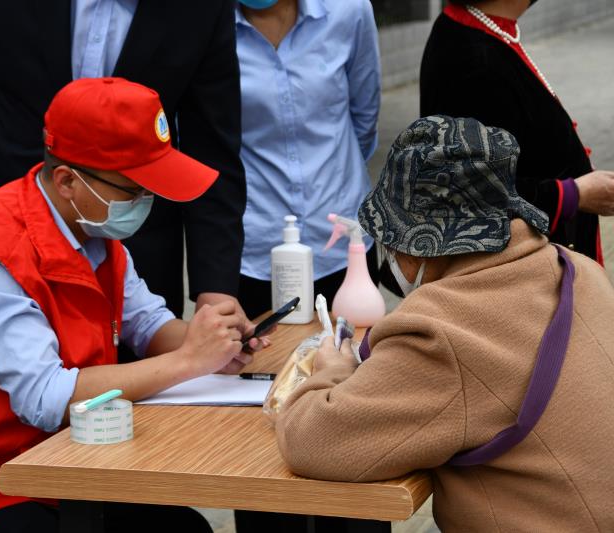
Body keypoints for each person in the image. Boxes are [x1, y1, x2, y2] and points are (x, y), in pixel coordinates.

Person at [0, 78, 263, 533]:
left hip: (58, 459)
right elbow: (46, 398)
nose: (145, 203)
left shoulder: (91, 227)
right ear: (68, 181)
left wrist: (215, 341)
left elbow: (147, 323)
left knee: (183, 528)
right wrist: (189, 360)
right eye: (133, 189)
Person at [274, 115, 614, 532]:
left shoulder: (441, 333)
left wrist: (332, 373)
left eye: (389, 240)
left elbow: (313, 442)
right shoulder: (579, 270)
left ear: (418, 246)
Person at [0, 0, 246, 320]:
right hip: (9, 216)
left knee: (139, 357)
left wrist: (215, 286)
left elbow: (212, 144)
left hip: (134, 234)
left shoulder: (203, 7)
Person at [420, 0, 614, 263]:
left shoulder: (478, 32)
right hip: (528, 268)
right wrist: (574, 194)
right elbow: (472, 189)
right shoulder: (475, 61)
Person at [234, 0, 381, 320]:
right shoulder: (209, 24)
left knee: (350, 347)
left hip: (342, 239)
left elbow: (365, 115)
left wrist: (336, 179)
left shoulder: (349, 10)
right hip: (255, 246)